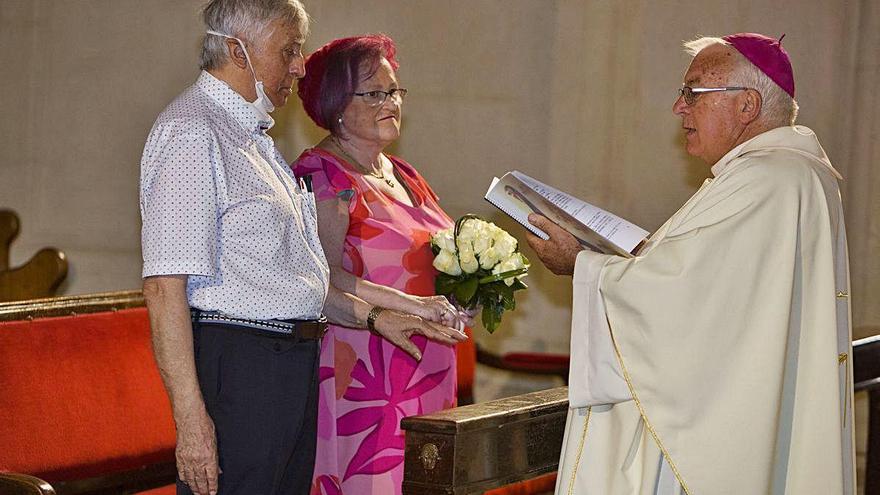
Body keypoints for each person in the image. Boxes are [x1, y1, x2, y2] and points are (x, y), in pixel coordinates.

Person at [139, 3, 465, 494]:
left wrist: (380, 317)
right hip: (243, 360)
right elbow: (165, 288)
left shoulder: (251, 136)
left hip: (289, 360)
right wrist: (191, 423)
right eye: (289, 50)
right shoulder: (193, 132)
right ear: (237, 50)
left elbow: (301, 283)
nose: (300, 65)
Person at [527, 33, 854, 495]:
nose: (679, 108)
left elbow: (685, 303)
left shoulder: (769, 180)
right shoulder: (781, 175)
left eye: (693, 92)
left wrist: (580, 263)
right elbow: (709, 286)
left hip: (711, 435)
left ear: (747, 105)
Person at [291, 34, 473, 495]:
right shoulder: (323, 175)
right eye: (374, 93)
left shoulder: (406, 174)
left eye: (394, 91)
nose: (391, 102)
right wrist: (411, 304)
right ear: (334, 103)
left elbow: (433, 262)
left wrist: (464, 298)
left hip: (425, 364)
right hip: (365, 373)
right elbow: (322, 277)